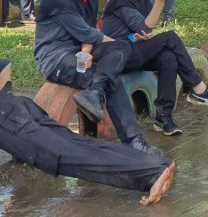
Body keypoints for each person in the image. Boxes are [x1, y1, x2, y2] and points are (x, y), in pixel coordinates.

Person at [33, 0, 161, 155]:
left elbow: (89, 34)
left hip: (77, 50)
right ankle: (133, 139)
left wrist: (86, 53)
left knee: (121, 48)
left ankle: (94, 93)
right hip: (55, 58)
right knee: (110, 76)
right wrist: (100, 47)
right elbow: (87, 32)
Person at [0, 59, 176, 206]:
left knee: (67, 156)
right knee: (80, 146)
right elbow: (4, 64)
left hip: (9, 119)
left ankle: (152, 173)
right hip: (17, 107)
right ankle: (157, 166)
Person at [101, 0, 208, 136]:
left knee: (168, 58)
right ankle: (197, 87)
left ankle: (164, 117)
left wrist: (138, 36)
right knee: (170, 38)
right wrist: (161, 0)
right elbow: (145, 27)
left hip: (131, 49)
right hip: (115, 56)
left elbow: (143, 31)